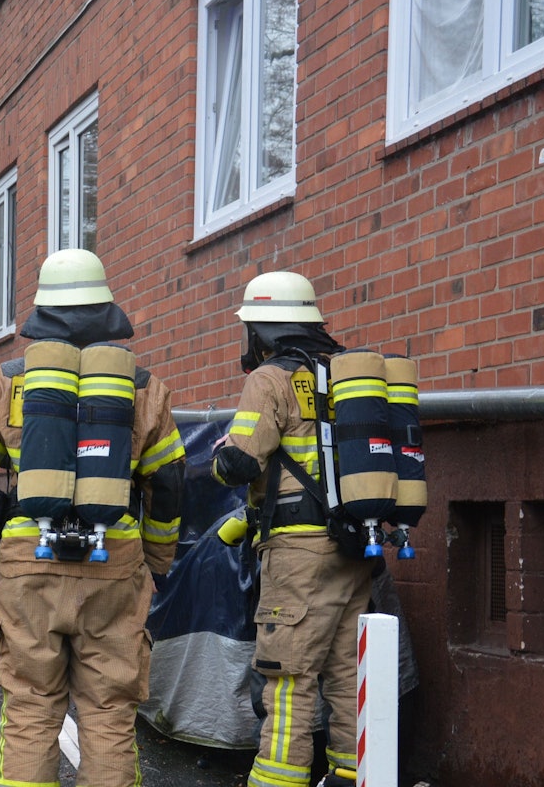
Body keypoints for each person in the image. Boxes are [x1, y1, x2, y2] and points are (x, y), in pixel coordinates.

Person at [0, 249, 188, 787]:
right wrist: (159, 559)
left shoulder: (3, 382)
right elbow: (168, 485)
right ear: (105, 313)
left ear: (41, 315)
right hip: (114, 565)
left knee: (30, 709)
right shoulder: (145, 389)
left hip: (29, 565)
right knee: (109, 714)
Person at [210, 271, 366, 787]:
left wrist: (218, 457)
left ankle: (277, 781)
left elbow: (240, 465)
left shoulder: (271, 379)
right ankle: (349, 775)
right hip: (356, 543)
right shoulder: (347, 375)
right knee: (349, 675)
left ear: (264, 330)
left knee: (288, 678)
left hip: (299, 553)